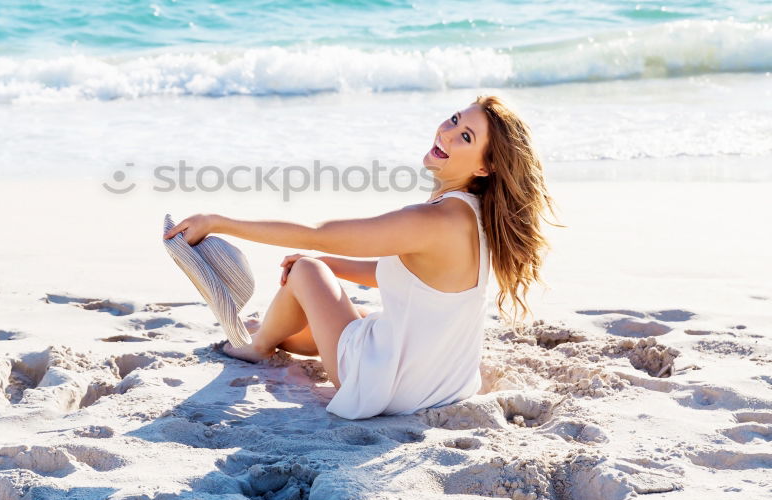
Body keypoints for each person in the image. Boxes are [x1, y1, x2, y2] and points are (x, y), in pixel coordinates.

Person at [162, 95, 556, 419]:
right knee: (358, 313)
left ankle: (258, 345)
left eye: (465, 136)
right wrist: (331, 267)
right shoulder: (476, 215)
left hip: (392, 389)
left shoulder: (431, 219)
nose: (447, 133)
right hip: (444, 382)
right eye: (454, 120)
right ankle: (277, 329)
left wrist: (218, 222)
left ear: (485, 166)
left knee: (304, 268)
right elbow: (411, 278)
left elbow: (315, 233)